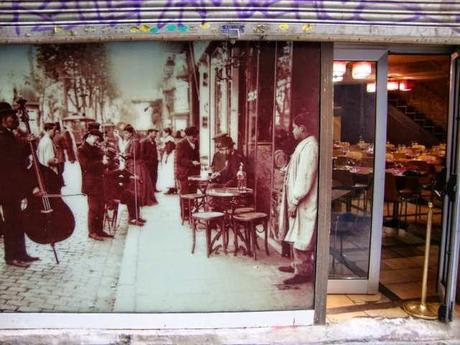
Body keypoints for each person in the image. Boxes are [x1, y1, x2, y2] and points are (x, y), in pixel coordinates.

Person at [278, 114, 318, 285]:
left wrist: (295, 200)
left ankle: (303, 271)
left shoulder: (311, 147)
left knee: (302, 234)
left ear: (302, 128)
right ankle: (297, 265)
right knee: (296, 231)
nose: (292, 130)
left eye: (294, 127)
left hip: (303, 201)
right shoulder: (304, 145)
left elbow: (305, 177)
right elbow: (297, 168)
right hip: (297, 199)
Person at [0, 102, 39, 267]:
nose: (15, 119)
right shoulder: (2, 137)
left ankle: (21, 253)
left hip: (12, 187)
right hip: (5, 187)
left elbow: (20, 155)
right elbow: (12, 159)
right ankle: (11, 257)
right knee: (11, 222)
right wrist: (25, 143)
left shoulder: (9, 134)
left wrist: (30, 144)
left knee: (18, 220)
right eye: (12, 117)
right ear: (3, 119)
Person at [78, 129, 113, 240]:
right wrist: (101, 162)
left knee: (101, 207)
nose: (97, 142)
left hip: (100, 181)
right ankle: (92, 231)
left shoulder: (96, 148)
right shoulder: (82, 149)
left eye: (98, 140)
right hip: (91, 182)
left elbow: (102, 163)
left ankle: (99, 230)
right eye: (96, 139)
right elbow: (86, 166)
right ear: (90, 136)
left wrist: (106, 161)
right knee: (93, 208)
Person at [121, 124, 157, 206]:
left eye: (126, 133)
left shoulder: (135, 141)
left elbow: (135, 154)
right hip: (132, 164)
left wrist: (125, 155)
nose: (125, 135)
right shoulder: (131, 140)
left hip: (136, 165)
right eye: (124, 133)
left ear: (130, 133)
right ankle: (133, 200)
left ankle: (138, 200)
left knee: (136, 183)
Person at [175, 126, 200, 194]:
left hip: (194, 173)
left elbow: (197, 156)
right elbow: (179, 160)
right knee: (185, 194)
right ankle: (185, 205)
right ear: (188, 136)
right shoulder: (180, 144)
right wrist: (191, 162)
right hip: (183, 173)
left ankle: (192, 205)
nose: (195, 138)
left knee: (193, 193)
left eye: (196, 136)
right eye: (193, 137)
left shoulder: (196, 142)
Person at [141, 129, 159, 193]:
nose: (156, 135)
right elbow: (142, 153)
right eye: (154, 133)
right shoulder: (144, 141)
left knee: (154, 175)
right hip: (148, 162)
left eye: (156, 133)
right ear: (150, 133)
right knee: (148, 176)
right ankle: (149, 190)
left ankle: (154, 188)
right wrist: (145, 161)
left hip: (154, 162)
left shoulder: (154, 141)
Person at [159, 128, 176, 194]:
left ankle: (171, 187)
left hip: (170, 157)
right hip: (169, 156)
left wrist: (163, 150)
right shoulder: (168, 139)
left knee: (169, 171)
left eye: (163, 133)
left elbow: (169, 149)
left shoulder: (169, 139)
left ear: (167, 133)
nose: (163, 134)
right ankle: (171, 187)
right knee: (168, 171)